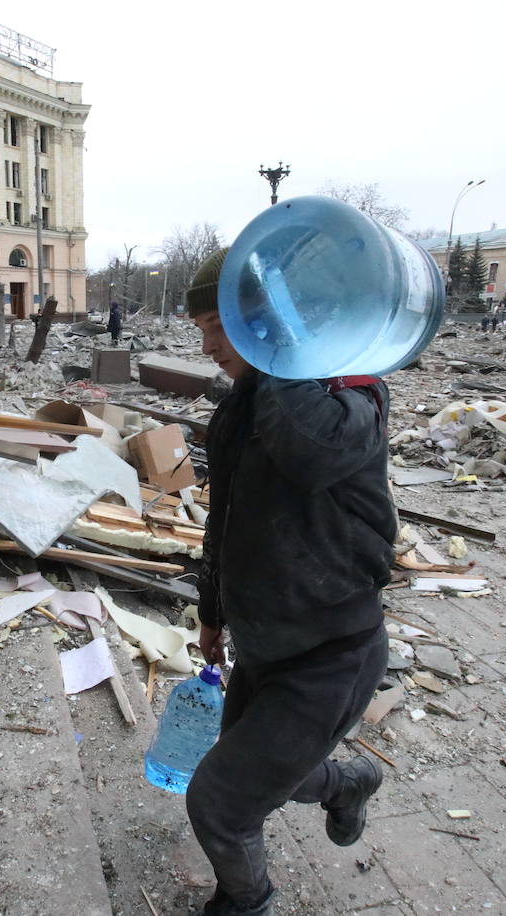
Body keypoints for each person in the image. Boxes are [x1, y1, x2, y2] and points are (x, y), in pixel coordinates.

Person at [182, 249, 393, 916]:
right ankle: (347, 783)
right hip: (263, 642)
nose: (210, 346)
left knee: (220, 799)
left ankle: (247, 903)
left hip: (333, 654)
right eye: (202, 329)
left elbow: (307, 452)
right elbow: (224, 516)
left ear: (267, 319)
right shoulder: (242, 406)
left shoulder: (350, 393)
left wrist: (279, 345)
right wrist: (211, 612)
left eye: (222, 324)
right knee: (262, 768)